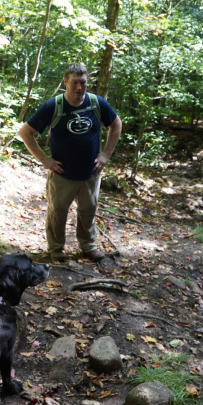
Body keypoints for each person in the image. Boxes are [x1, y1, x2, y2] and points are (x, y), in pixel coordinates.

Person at [18, 63, 122, 262]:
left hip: (91, 172)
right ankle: (56, 249)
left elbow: (116, 124)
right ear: (66, 82)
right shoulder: (54, 106)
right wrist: (44, 159)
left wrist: (105, 154)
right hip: (62, 173)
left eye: (83, 82)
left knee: (88, 210)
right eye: (74, 82)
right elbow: (25, 132)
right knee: (57, 213)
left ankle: (88, 246)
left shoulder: (96, 103)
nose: (79, 87)